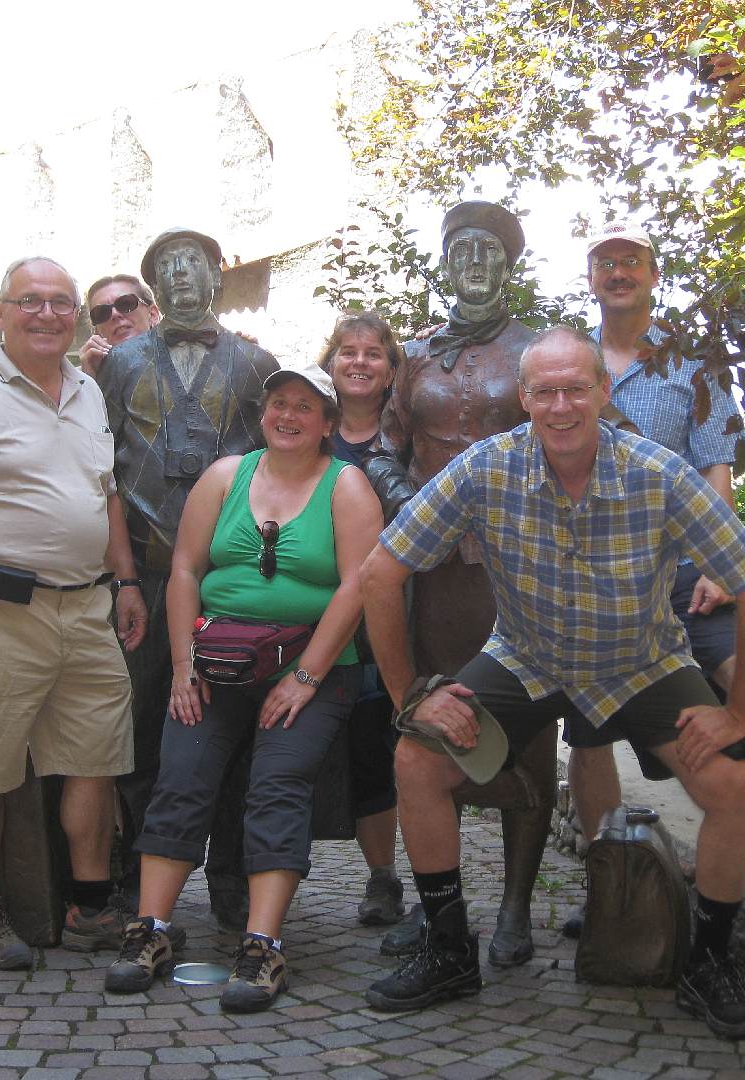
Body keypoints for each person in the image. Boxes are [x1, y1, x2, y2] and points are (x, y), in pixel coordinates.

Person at [359, 327, 745, 1040]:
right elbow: (380, 573)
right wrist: (411, 697)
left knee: (733, 782)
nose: (561, 406)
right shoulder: (486, 467)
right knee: (417, 759)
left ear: (603, 393)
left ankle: (709, 963)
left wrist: (738, 714)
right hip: (527, 657)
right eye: (545, 392)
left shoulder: (658, 472)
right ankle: (449, 947)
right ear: (525, 399)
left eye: (576, 389)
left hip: (642, 663)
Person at [364, 200, 632, 965]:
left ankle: (516, 905)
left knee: (527, 734)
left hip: (515, 572)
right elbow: (383, 450)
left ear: (508, 267)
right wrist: (413, 503)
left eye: (489, 253)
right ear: (446, 265)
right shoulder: (417, 355)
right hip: (434, 578)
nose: (475, 266)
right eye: (462, 253)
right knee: (428, 725)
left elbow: (593, 436)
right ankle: (437, 904)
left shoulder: (535, 352)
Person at [565, 220, 745, 907]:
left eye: (631, 260)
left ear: (653, 275)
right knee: (588, 725)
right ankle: (610, 877)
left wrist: (720, 561)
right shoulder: (573, 363)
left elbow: (716, 464)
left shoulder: (695, 366)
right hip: (599, 575)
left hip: (684, 564)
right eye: (606, 262)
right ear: (591, 278)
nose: (618, 272)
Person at [104, 363, 382, 1012]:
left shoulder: (347, 487)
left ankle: (262, 944)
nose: (288, 416)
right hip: (217, 663)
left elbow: (357, 586)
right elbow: (184, 568)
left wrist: (307, 677)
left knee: (278, 785)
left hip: (308, 668)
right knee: (181, 776)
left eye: (305, 407)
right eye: (278, 403)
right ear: (263, 414)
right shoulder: (226, 477)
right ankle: (151, 929)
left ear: (328, 423)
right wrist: (182, 665)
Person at [0, 255, 147, 970]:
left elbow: (105, 495)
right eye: (29, 301)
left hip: (88, 607)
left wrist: (127, 581)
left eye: (61, 302)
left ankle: (90, 907)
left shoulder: (88, 390)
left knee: (95, 762)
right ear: (1, 313)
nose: (46, 314)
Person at [98, 228, 279, 930]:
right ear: (153, 285)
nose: (181, 276)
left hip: (232, 577)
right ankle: (137, 875)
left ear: (217, 279)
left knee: (236, 728)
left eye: (193, 265)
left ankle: (232, 875)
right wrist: (124, 580)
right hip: (147, 572)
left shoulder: (256, 365)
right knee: (143, 725)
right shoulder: (120, 365)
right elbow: (105, 474)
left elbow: (276, 466)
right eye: (167, 267)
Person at [316, 312, 405, 925]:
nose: (359, 362)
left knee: (377, 744)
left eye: (373, 353)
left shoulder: (408, 436)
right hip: (318, 601)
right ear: (330, 364)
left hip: (392, 610)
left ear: (392, 370)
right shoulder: (310, 430)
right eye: (347, 351)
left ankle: (384, 877)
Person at [77, 273, 161, 377]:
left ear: (152, 315)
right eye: (102, 313)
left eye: (126, 304)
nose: (114, 314)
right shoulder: (81, 379)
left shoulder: (179, 360)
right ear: (97, 332)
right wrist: (91, 380)